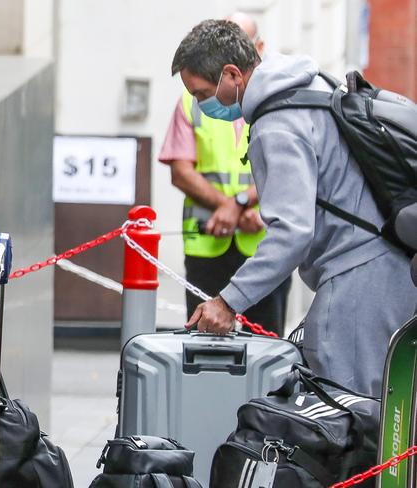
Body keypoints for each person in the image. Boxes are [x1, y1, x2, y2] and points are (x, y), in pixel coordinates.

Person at [172, 19, 417, 396]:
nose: (198, 104)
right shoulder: (309, 83)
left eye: (202, 93)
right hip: (387, 266)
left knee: (347, 411)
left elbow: (292, 232)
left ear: (232, 74)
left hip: (359, 277)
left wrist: (227, 302)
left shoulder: (277, 124)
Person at [159, 12, 289, 335]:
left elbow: (286, 169)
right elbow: (180, 170)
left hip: (262, 239)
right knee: (204, 345)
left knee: (266, 344)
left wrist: (240, 204)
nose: (200, 100)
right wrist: (227, 206)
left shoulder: (275, 105)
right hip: (208, 241)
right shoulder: (193, 104)